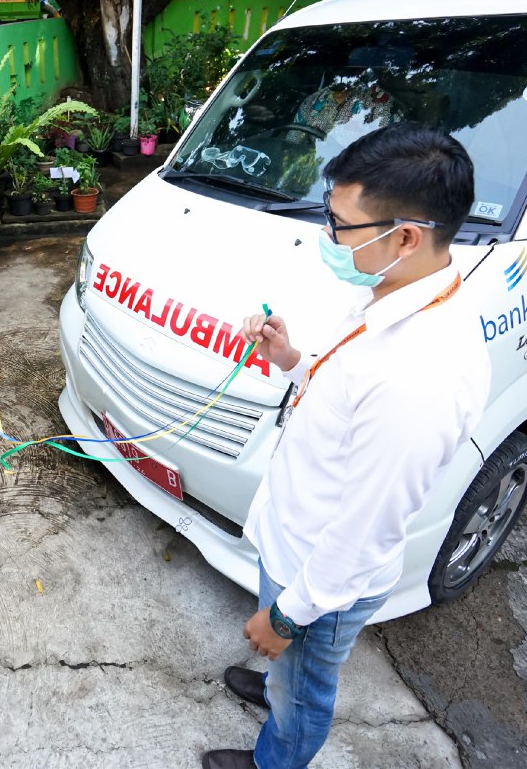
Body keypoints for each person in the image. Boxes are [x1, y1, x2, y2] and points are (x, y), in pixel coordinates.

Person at [202, 124, 491, 769]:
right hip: (297, 542)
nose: (328, 238)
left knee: (307, 688)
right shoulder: (396, 296)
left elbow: (363, 530)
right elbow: (344, 396)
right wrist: (290, 360)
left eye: (341, 225)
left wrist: (284, 620)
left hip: (320, 579)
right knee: (291, 671)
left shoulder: (421, 373)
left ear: (406, 236)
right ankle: (280, 682)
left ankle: (277, 752)